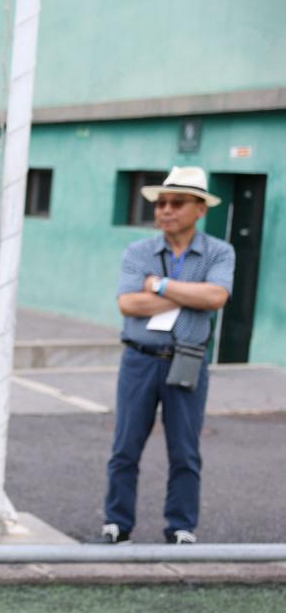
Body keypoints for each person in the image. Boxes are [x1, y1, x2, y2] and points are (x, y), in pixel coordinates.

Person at [100, 166, 234, 546]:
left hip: (188, 357)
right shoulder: (138, 251)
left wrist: (159, 285)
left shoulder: (220, 252)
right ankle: (117, 524)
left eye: (177, 203)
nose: (166, 210)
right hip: (140, 359)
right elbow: (128, 303)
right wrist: (190, 293)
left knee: (185, 450)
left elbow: (217, 298)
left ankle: (181, 527)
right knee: (125, 446)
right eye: (161, 203)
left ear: (200, 210)